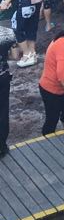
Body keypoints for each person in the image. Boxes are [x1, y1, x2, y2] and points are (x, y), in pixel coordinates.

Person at [0, 25, 14, 157]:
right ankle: (2, 146)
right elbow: (15, 56)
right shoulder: (8, 33)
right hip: (2, 78)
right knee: (3, 112)